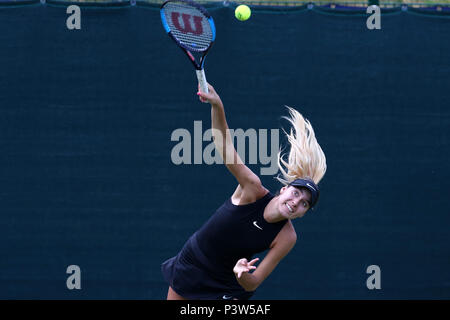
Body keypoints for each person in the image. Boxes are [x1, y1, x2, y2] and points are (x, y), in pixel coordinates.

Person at [161, 83, 327, 300]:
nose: (297, 202)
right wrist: (217, 106)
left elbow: (253, 282)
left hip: (228, 285)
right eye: (296, 193)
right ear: (284, 189)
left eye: (305, 203)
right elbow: (224, 146)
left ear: (303, 214)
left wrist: (241, 275)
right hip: (194, 263)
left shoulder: (287, 237)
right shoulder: (251, 188)